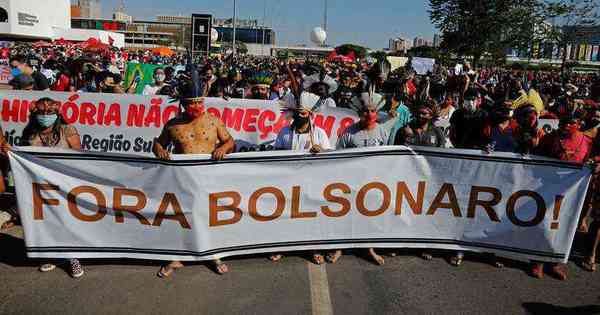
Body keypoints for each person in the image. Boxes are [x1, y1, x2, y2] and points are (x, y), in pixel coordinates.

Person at [153, 65, 235, 278]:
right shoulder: (173, 124)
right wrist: (160, 150)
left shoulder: (213, 121)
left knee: (208, 216)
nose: (197, 107)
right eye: (192, 104)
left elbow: (229, 141)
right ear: (183, 104)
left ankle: (213, 255)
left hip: (209, 176)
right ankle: (177, 257)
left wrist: (222, 149)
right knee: (181, 217)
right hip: (182, 177)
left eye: (200, 102)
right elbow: (157, 144)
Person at [19, 97, 83, 278]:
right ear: (35, 114)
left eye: (50, 113)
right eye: (41, 113)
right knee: (46, 220)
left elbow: (79, 155)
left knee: (67, 219)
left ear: (57, 114)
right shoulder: (29, 133)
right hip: (40, 184)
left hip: (65, 183)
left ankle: (73, 257)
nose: (45, 116)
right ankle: (52, 254)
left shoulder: (67, 130)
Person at [272, 91, 332, 264]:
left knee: (311, 216)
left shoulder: (319, 133)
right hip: (288, 182)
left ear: (310, 115)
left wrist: (321, 151)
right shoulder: (284, 132)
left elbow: (330, 157)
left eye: (303, 113)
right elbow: (275, 155)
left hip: (312, 182)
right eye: (298, 112)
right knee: (285, 215)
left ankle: (313, 249)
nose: (300, 115)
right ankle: (282, 247)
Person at [534, 115, 591, 280]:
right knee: (546, 223)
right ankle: (538, 262)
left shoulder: (587, 141)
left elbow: (594, 158)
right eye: (564, 122)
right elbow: (537, 155)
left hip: (574, 192)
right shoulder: (551, 138)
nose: (566, 125)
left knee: (566, 226)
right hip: (550, 188)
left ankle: (555, 264)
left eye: (571, 122)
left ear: (579, 124)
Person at [337, 93, 389, 265]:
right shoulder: (349, 132)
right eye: (366, 111)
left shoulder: (383, 131)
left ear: (377, 113)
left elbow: (392, 158)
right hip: (351, 183)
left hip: (375, 183)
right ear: (360, 113)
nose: (369, 114)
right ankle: (339, 247)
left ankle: (369, 248)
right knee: (347, 215)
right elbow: (337, 157)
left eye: (373, 111)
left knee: (370, 216)